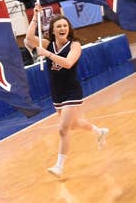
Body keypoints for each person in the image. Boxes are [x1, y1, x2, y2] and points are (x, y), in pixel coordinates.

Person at [26, 11, 109, 179]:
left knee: (63, 130)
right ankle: (98, 132)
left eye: (64, 25)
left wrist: (47, 54)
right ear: (53, 30)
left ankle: (59, 167)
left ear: (69, 29)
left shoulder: (74, 45)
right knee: (74, 124)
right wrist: (35, 16)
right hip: (57, 93)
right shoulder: (48, 43)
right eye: (58, 26)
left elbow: (68, 63)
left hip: (72, 91)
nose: (62, 28)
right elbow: (28, 38)